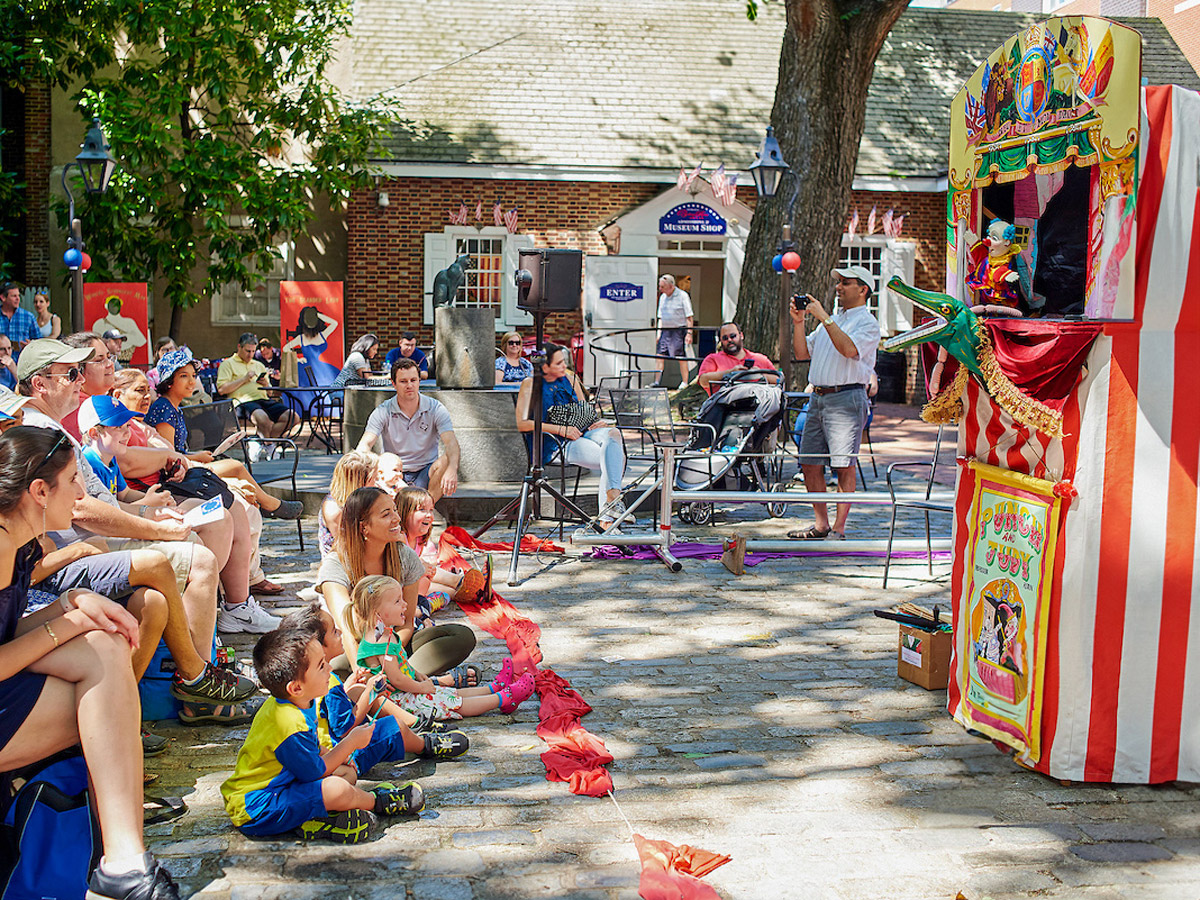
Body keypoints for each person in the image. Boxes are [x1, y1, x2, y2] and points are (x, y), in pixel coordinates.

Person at [0, 426, 185, 899]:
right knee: (106, 700)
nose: (82, 493)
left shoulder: (19, 543)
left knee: (104, 647)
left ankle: (122, 855)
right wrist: (66, 624)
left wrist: (70, 605)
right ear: (39, 490)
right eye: (73, 481)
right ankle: (118, 854)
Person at [220, 626, 425, 844]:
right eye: (320, 666)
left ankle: (317, 818)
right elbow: (314, 772)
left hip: (283, 786)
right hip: (258, 808)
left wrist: (333, 752)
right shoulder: (289, 723)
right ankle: (378, 801)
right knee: (336, 788)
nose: (329, 668)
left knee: (347, 774)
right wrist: (350, 743)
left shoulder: (296, 702)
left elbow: (313, 749)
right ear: (296, 687)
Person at [144, 349, 282, 632]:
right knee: (233, 476)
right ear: (168, 380)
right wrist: (196, 459)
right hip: (173, 483)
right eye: (184, 376)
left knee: (237, 496)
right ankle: (272, 506)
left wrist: (195, 457)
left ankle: (237, 604)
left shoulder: (173, 408)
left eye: (193, 376)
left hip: (183, 474)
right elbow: (168, 457)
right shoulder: (163, 409)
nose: (191, 382)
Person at [315, 486, 476, 681]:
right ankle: (427, 683)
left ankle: (400, 682)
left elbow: (407, 623)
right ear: (363, 526)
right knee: (337, 668)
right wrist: (364, 671)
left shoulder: (404, 556)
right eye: (386, 514)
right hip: (358, 646)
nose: (397, 519)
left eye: (395, 511)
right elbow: (348, 630)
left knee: (461, 636)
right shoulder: (336, 564)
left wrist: (390, 658)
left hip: (395, 643)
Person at [284, 602, 470, 759]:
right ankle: (425, 745)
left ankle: (416, 722)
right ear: (316, 646)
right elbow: (345, 728)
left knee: (356, 690)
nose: (340, 632)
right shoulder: (329, 681)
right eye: (334, 632)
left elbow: (327, 707)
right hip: (344, 750)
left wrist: (351, 684)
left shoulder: (306, 679)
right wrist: (371, 692)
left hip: (328, 745)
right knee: (393, 726)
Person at [347, 574, 534, 721]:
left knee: (450, 693)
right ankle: (503, 698)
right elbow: (396, 679)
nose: (405, 605)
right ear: (377, 613)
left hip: (408, 691)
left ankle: (495, 687)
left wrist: (417, 674)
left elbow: (401, 665)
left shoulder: (385, 633)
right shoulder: (379, 643)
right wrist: (421, 687)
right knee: (453, 702)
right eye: (397, 601)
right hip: (401, 701)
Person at [788, 265, 881, 540]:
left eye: (845, 282)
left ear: (863, 289)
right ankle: (821, 524)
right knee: (809, 462)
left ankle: (839, 528)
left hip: (846, 396)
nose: (838, 287)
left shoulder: (867, 322)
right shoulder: (832, 320)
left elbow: (849, 349)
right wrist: (799, 322)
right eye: (838, 282)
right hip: (817, 396)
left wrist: (824, 318)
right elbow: (803, 352)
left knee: (843, 464)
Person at [515, 342, 630, 526]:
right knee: (615, 457)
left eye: (564, 362)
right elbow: (522, 424)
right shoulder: (530, 384)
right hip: (555, 443)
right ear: (545, 366)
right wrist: (559, 429)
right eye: (559, 363)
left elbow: (584, 412)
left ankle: (611, 503)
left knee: (613, 434)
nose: (564, 366)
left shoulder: (571, 379)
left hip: (582, 433)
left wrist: (596, 421)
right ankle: (608, 518)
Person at [355, 358, 460, 504]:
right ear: (394, 384)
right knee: (369, 460)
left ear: (419, 381)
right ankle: (415, 507)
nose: (409, 385)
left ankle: (425, 506)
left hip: (426, 471)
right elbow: (365, 444)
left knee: (448, 459)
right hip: (395, 473)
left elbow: (451, 443)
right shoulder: (383, 411)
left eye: (413, 380)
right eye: (403, 381)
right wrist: (367, 468)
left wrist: (452, 470)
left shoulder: (435, 408)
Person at [217, 332, 297, 441]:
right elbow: (222, 390)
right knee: (263, 419)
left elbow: (270, 393)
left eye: (253, 351)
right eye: (248, 351)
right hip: (242, 402)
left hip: (263, 400)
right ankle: (269, 445)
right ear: (239, 347)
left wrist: (265, 384)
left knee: (293, 417)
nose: (250, 355)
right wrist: (244, 379)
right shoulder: (228, 364)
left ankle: (263, 442)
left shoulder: (258, 365)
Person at [397, 486, 463, 611]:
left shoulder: (419, 540)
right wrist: (423, 568)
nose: (429, 515)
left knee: (451, 592)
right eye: (422, 510)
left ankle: (472, 591)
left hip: (414, 586)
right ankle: (458, 581)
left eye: (431, 510)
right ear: (404, 512)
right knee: (424, 579)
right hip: (400, 589)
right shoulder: (400, 538)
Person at [319, 450, 379, 558]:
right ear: (361, 482)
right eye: (375, 478)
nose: (378, 483)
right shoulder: (335, 510)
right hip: (344, 562)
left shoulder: (366, 497)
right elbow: (345, 546)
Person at [696, 322, 777, 395]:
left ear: (741, 335)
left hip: (759, 406)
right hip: (726, 407)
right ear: (721, 341)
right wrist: (731, 372)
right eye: (725, 338)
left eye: (733, 336)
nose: (729, 340)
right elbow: (703, 381)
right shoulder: (713, 359)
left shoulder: (760, 358)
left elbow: (778, 380)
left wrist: (758, 374)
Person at [651, 274, 694, 388]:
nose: (660, 289)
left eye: (662, 287)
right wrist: (658, 333)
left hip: (678, 330)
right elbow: (660, 317)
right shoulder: (663, 297)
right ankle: (656, 382)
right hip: (665, 330)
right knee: (659, 355)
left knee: (681, 356)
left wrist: (689, 333)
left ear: (671, 286)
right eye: (660, 287)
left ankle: (684, 382)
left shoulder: (682, 296)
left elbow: (689, 316)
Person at [90, 296, 147, 361]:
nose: (114, 306)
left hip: (126, 362)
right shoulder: (100, 324)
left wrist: (126, 337)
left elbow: (141, 340)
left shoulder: (129, 322)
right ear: (106, 306)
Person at [0, 282, 40, 354]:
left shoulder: (28, 317)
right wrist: (16, 346)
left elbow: (39, 342)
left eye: (18, 295)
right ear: (3, 297)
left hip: (22, 362)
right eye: (14, 296)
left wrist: (31, 345)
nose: (18, 299)